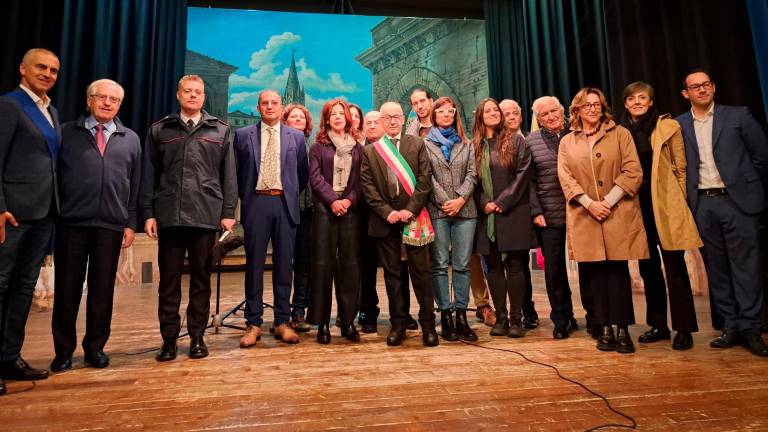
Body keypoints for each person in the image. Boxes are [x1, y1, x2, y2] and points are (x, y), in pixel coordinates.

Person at [142, 75, 237, 361]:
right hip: (170, 215)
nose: (193, 95)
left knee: (201, 281)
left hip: (205, 215)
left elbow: (228, 175)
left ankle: (197, 337)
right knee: (169, 283)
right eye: (188, 91)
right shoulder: (160, 129)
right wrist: (148, 213)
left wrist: (228, 212)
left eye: (198, 92)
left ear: (204, 97)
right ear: (178, 94)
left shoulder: (220, 130)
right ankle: (169, 340)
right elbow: (149, 174)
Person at [51, 79, 141, 372]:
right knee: (67, 289)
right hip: (72, 224)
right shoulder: (66, 133)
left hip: (111, 225)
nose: (107, 103)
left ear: (120, 105)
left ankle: (95, 348)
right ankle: (63, 351)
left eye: (114, 99)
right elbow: (53, 176)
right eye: (101, 97)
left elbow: (135, 185)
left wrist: (130, 222)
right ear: (89, 100)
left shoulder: (131, 139)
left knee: (102, 291)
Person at [676, 69, 768, 357]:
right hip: (703, 204)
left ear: (713, 87)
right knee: (716, 268)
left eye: (706, 84)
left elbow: (761, 156)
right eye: (695, 87)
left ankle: (751, 327)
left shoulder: (738, 116)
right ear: (686, 93)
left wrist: (745, 185)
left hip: (737, 202)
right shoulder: (678, 125)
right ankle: (731, 325)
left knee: (746, 267)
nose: (702, 90)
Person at [558, 87, 648, 354]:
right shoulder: (567, 141)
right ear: (577, 109)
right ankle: (604, 327)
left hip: (616, 212)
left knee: (618, 273)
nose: (592, 109)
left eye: (596, 104)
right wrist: (589, 203)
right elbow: (565, 177)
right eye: (586, 105)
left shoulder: (620, 134)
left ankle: (623, 329)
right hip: (585, 214)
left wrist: (607, 202)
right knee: (595, 274)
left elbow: (633, 171)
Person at [620, 81, 702, 350]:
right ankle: (658, 325)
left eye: (642, 97)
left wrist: (681, 202)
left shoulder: (667, 126)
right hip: (637, 206)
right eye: (632, 99)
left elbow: (681, 167)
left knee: (675, 268)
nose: (637, 102)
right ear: (625, 104)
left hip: (665, 205)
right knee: (648, 268)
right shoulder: (620, 132)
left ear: (651, 101)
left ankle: (684, 328)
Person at [0, 48, 61, 393]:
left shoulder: (50, 110)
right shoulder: (10, 105)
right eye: (41, 67)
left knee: (24, 287)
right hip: (12, 214)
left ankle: (10, 356)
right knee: (1, 285)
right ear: (23, 68)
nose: (47, 74)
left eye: (53, 70)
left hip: (44, 213)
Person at [233, 90, 309, 347]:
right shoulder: (243, 135)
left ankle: (282, 322)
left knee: (284, 265)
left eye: (274, 103)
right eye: (264, 103)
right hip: (256, 204)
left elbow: (302, 174)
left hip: (284, 204)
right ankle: (253, 323)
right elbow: (237, 172)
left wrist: (288, 192)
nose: (269, 107)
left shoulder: (295, 137)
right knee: (254, 264)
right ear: (258, 107)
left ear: (281, 106)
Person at [360, 101, 437, 347]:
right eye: (387, 118)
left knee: (421, 274)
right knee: (393, 276)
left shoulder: (417, 144)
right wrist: (388, 212)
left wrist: (409, 210)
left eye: (396, 117)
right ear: (381, 121)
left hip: (413, 219)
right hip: (385, 222)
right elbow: (368, 187)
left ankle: (428, 326)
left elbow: (425, 180)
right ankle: (398, 324)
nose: (392, 121)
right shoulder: (370, 151)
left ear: (404, 119)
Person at [472, 98, 536, 338]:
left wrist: (503, 201)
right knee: (493, 267)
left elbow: (523, 174)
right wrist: (484, 203)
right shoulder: (475, 147)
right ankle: (501, 317)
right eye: (487, 110)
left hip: (513, 211)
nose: (493, 113)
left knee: (516, 267)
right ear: (480, 117)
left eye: (495, 110)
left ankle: (517, 318)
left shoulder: (516, 141)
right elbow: (472, 181)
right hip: (487, 215)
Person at [307, 99, 364, 344]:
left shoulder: (358, 148)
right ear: (327, 120)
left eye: (342, 113)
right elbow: (315, 178)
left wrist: (349, 201)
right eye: (333, 114)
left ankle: (347, 322)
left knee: (350, 267)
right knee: (323, 266)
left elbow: (361, 180)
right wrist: (332, 201)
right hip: (325, 210)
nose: (338, 117)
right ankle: (322, 324)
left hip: (350, 211)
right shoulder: (317, 148)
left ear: (348, 118)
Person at [424, 96, 478, 342]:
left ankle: (461, 316)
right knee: (439, 264)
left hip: (465, 211)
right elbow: (426, 176)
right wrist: (446, 202)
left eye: (450, 111)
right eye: (441, 111)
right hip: (438, 211)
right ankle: (445, 315)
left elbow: (472, 174)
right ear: (434, 115)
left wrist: (460, 199)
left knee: (462, 264)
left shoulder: (466, 143)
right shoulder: (425, 144)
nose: (446, 115)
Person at [526, 96, 579, 339]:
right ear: (538, 119)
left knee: (587, 266)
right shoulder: (531, 141)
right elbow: (529, 181)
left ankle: (594, 317)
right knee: (554, 269)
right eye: (544, 114)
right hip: (549, 213)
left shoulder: (577, 132)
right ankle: (561, 318)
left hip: (580, 209)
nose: (551, 116)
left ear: (562, 110)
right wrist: (536, 211)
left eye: (554, 111)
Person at [500, 98, 538, 328]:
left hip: (534, 207)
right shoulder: (498, 144)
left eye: (515, 113)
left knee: (524, 263)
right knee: (516, 264)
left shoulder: (532, 139)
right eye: (507, 114)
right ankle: (522, 309)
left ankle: (530, 308)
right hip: (511, 208)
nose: (512, 117)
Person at [282, 103, 313, 333]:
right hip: (284, 209)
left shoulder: (314, 146)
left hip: (309, 211)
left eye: (302, 117)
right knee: (284, 262)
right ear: (286, 121)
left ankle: (299, 309)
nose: (298, 119)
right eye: (294, 116)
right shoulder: (279, 145)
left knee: (304, 262)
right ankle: (282, 313)